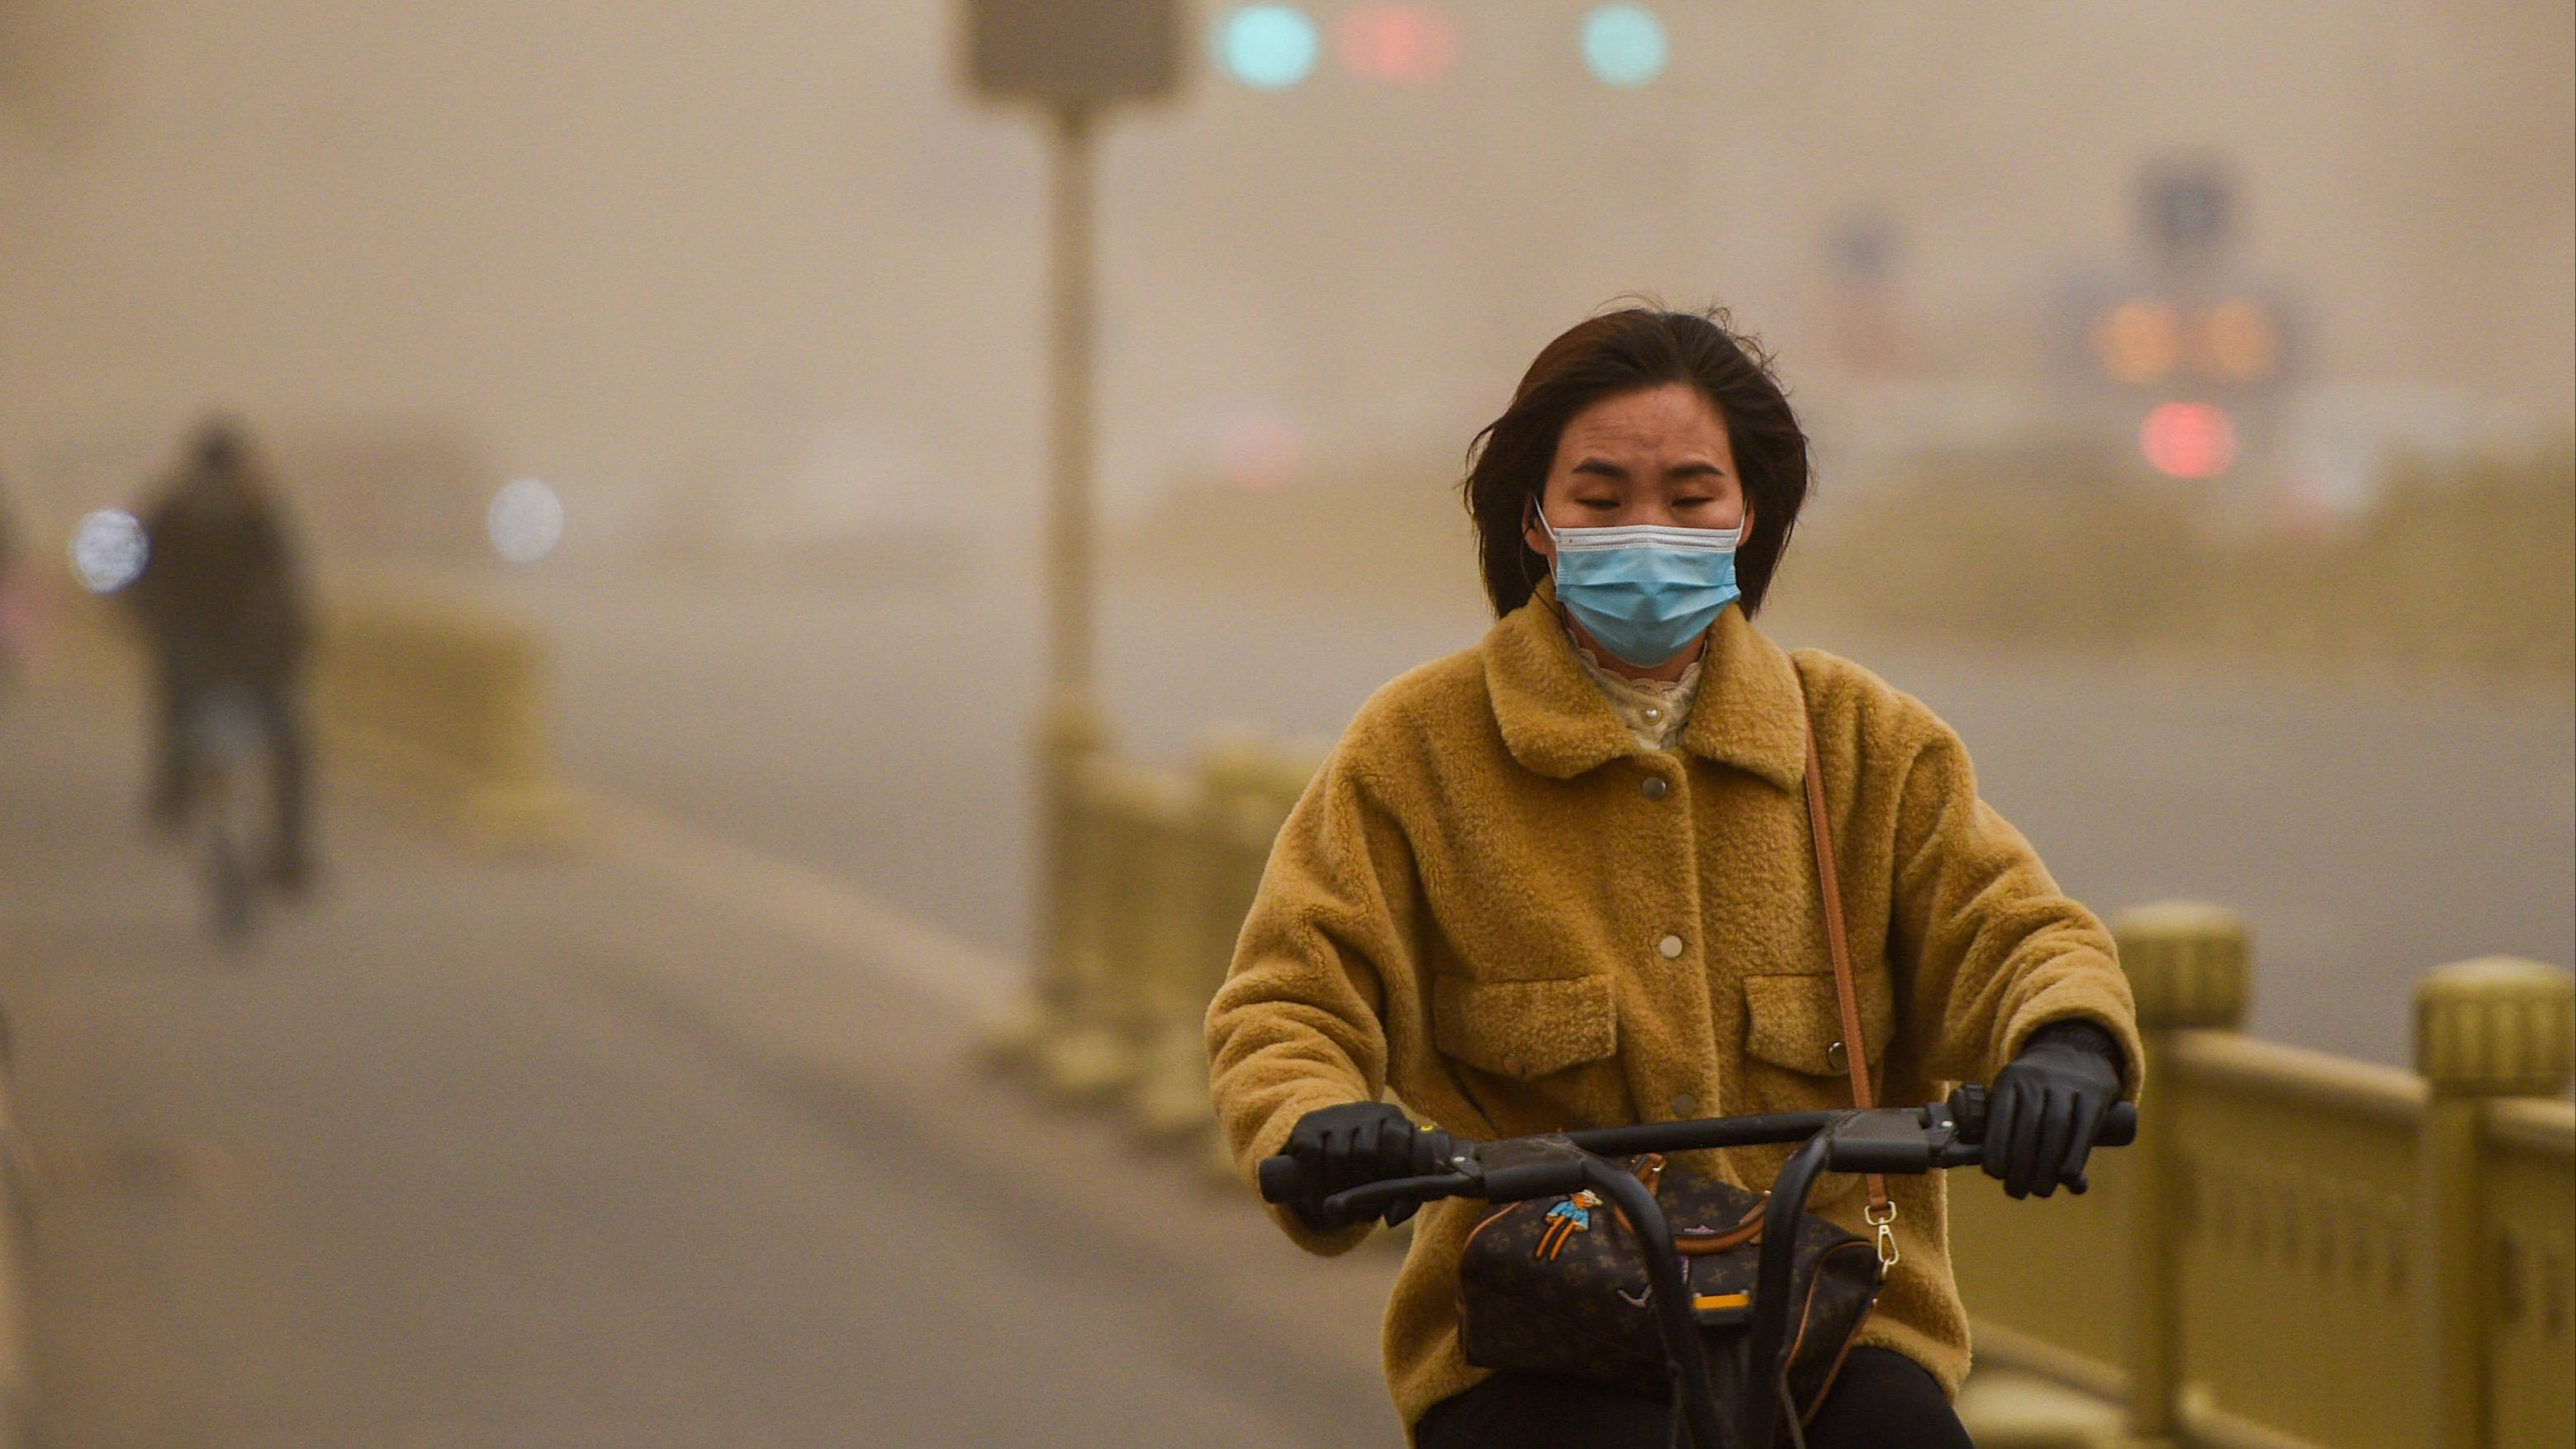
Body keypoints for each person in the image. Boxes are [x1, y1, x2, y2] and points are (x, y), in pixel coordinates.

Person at [1205, 308, 2142, 1448]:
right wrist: (1319, 1124)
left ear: (1748, 516)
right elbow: (1287, 998)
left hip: (1829, 1324)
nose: (1645, 527)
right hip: (1532, 1329)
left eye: (1689, 495)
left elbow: (2012, 929)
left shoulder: (1861, 742)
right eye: (1600, 499)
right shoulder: (1415, 750)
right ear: (1534, 520)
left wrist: (2064, 1045)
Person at [127, 419, 315, 887]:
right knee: (289, 745)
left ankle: (173, 791)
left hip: (194, 645)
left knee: (175, 714)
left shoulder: (171, 509)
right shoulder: (258, 510)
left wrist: (154, 623)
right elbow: (285, 585)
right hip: (250, 651)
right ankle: (290, 849)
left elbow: (141, 582)